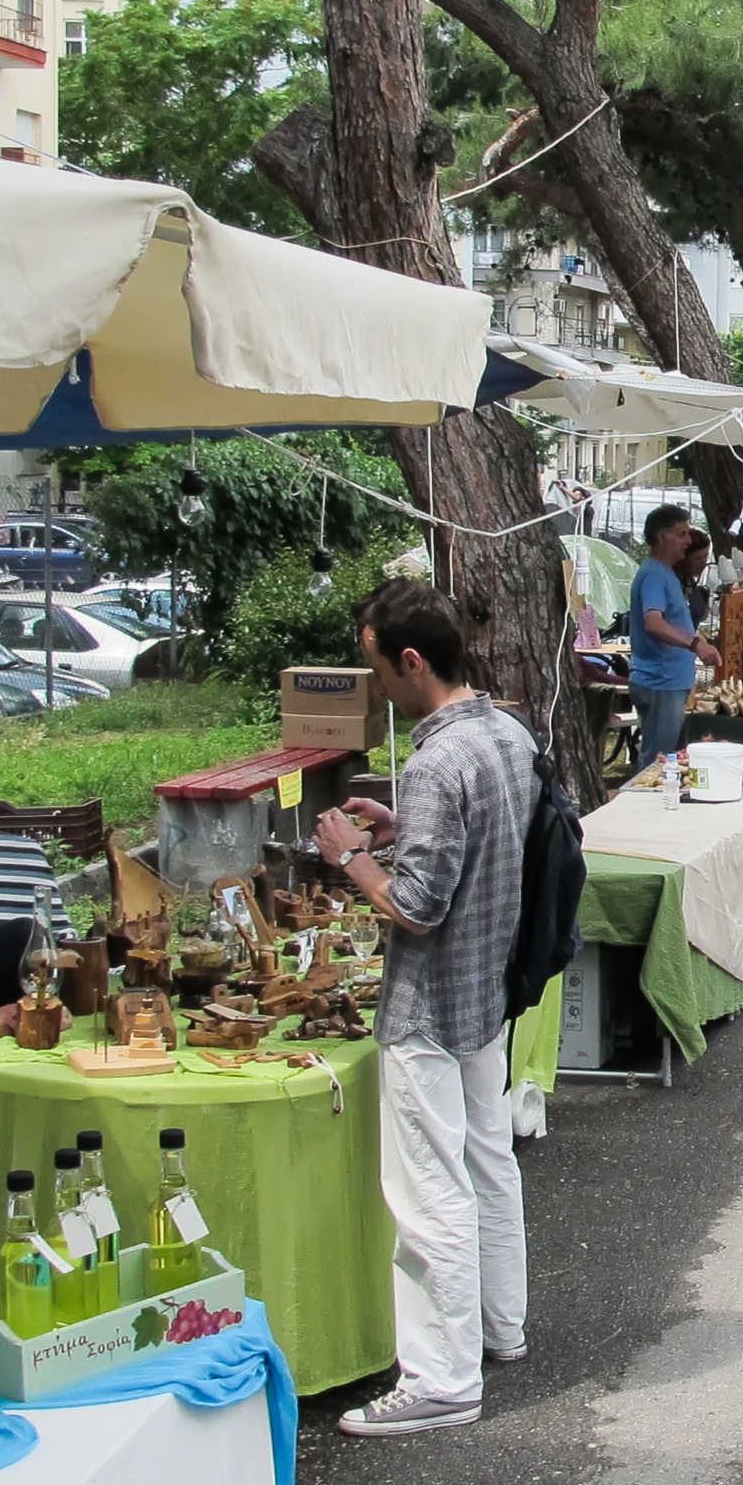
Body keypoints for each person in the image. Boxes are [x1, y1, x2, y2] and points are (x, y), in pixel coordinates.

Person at [316, 580, 536, 1435]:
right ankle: (500, 1328)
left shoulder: (441, 756)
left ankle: (442, 1379)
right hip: (487, 991)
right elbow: (475, 844)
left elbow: (416, 907)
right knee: (487, 1162)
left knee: (429, 1192)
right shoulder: (502, 732)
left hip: (431, 1001)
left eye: (374, 668)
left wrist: (349, 858)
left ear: (410, 662)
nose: (373, 686)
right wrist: (404, 824)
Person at [629, 505, 720, 768]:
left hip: (669, 682)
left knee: (665, 758)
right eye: (681, 534)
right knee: (658, 761)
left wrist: (700, 640)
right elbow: (653, 622)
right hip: (660, 682)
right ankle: (646, 806)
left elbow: (673, 623)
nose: (688, 541)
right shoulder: (654, 575)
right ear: (661, 537)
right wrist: (694, 645)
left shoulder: (665, 574)